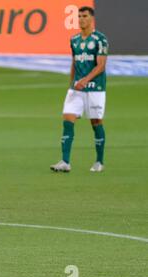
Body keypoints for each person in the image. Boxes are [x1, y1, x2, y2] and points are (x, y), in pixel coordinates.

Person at [51, 6, 108, 173]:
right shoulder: (74, 39)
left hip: (95, 89)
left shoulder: (100, 39)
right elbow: (74, 63)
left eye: (84, 16)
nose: (81, 19)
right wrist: (71, 84)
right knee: (67, 120)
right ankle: (65, 161)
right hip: (76, 89)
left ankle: (99, 161)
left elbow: (101, 66)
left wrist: (85, 80)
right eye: (79, 16)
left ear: (91, 18)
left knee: (96, 123)